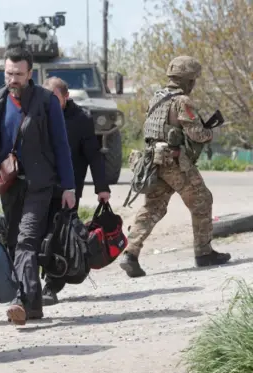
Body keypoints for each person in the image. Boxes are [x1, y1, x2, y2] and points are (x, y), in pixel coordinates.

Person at [0, 47, 76, 326]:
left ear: (30, 74)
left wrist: (68, 187)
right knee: (13, 242)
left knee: (26, 240)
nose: (13, 79)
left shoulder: (46, 101)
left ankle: (20, 299)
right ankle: (33, 307)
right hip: (9, 184)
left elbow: (61, 145)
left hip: (40, 184)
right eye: (9, 73)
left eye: (19, 74)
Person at [119, 55, 230, 277]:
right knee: (202, 200)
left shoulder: (157, 98)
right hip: (174, 163)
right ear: (189, 80)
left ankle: (130, 253)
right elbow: (196, 133)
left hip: (154, 162)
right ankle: (204, 253)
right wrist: (209, 133)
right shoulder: (182, 101)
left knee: (153, 208)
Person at [41, 77, 111, 306]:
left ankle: (51, 285)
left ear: (66, 97)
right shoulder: (37, 113)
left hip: (68, 190)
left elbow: (93, 154)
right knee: (36, 236)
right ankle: (28, 284)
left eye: (55, 99)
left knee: (60, 238)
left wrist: (102, 187)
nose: (50, 103)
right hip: (38, 187)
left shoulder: (81, 119)